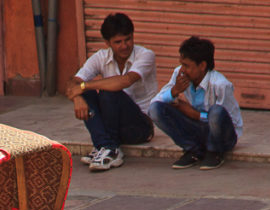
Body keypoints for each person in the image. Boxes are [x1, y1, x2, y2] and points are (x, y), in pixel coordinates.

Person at [65, 12, 156, 173]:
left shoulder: (145, 55)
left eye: (128, 39)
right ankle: (107, 146)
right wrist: (78, 97)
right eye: (118, 42)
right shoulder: (100, 57)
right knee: (87, 94)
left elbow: (125, 81)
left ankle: (107, 146)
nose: (125, 45)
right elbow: (73, 82)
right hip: (112, 123)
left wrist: (83, 87)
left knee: (108, 92)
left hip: (139, 126)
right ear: (107, 43)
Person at [148, 36, 243, 171]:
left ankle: (214, 152)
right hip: (198, 131)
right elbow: (154, 104)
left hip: (222, 137)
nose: (183, 69)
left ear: (202, 66)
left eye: (187, 65)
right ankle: (193, 150)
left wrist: (196, 115)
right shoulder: (179, 74)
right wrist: (174, 91)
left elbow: (232, 123)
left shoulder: (220, 84)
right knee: (156, 109)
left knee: (216, 111)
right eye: (182, 64)